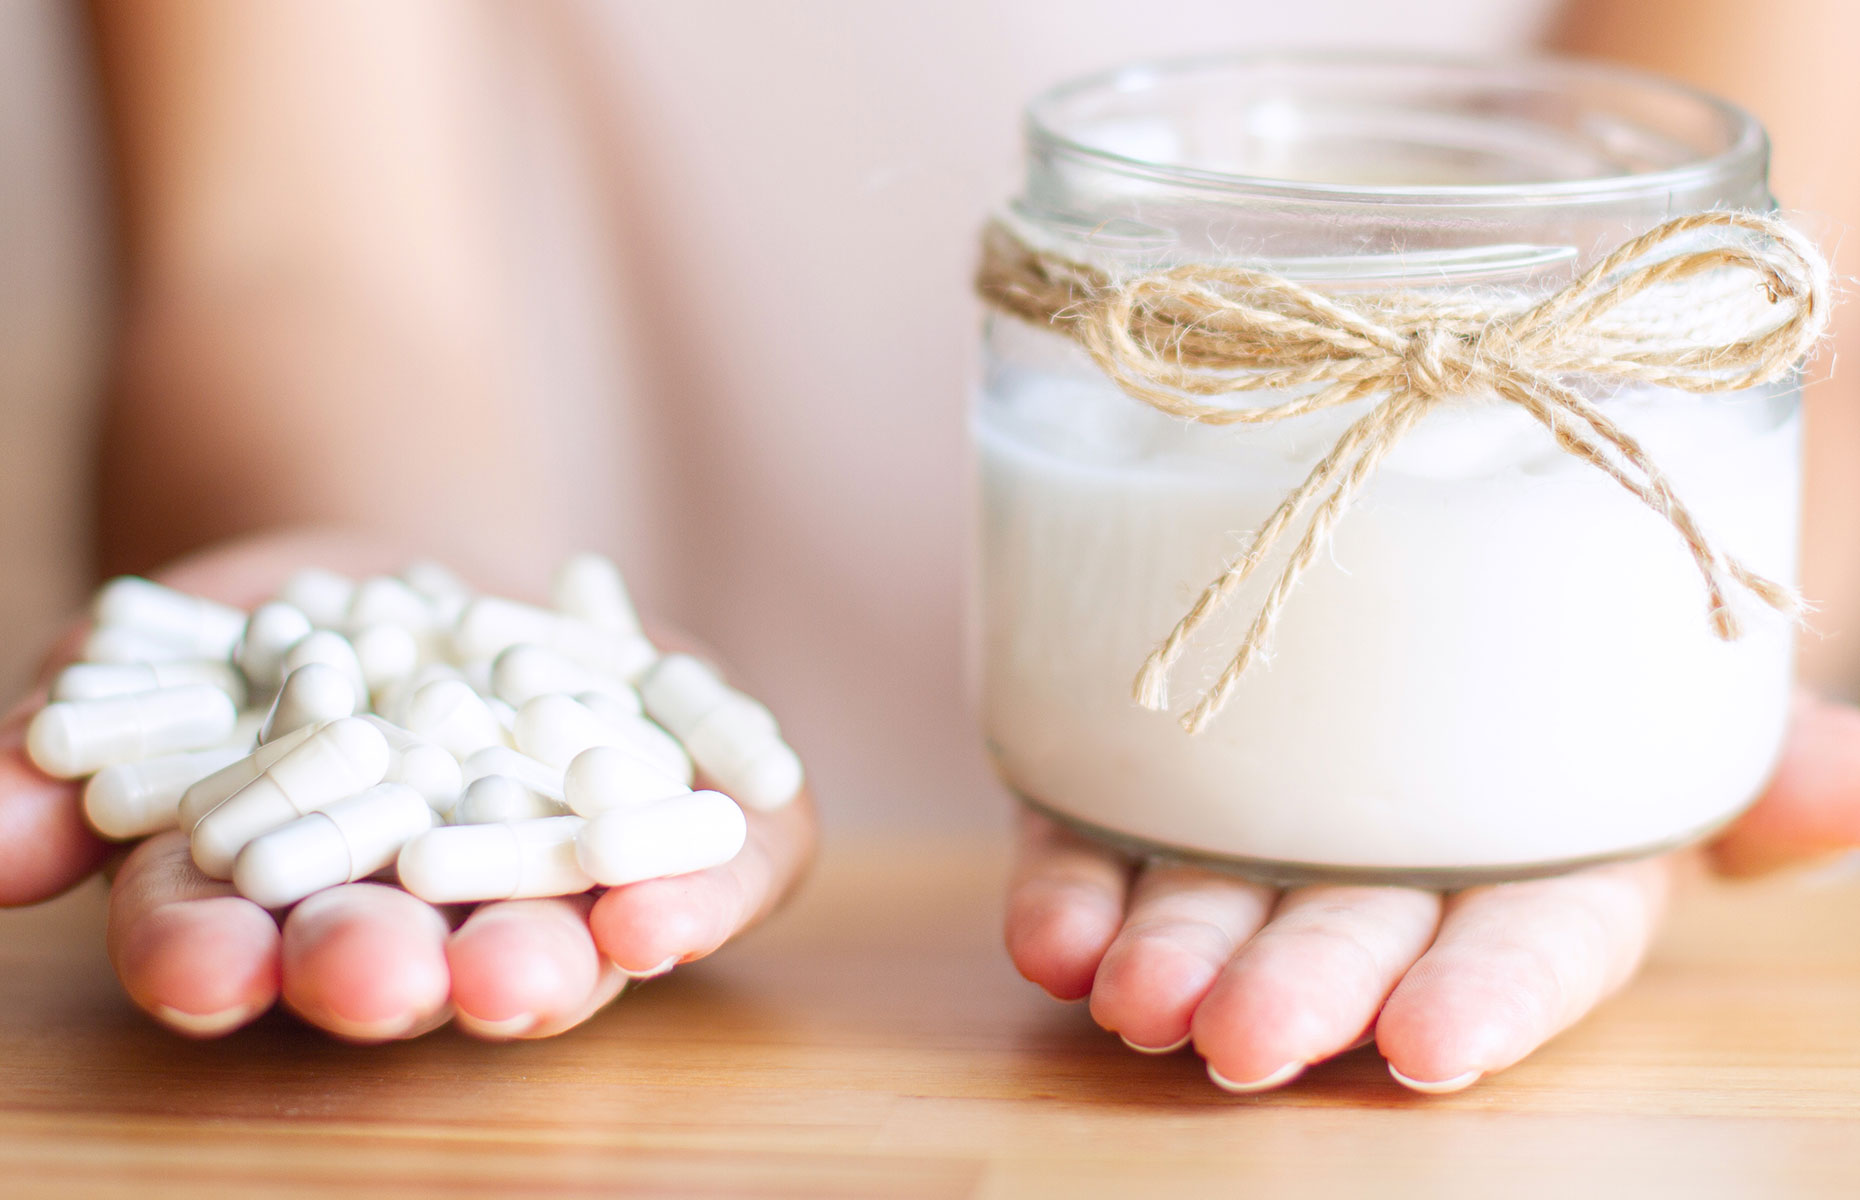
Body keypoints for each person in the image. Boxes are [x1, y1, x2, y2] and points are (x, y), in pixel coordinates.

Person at [0, 0, 1856, 1089]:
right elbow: (287, 256)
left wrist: (1704, 683)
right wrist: (353, 555)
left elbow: (1744, 273)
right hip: (727, 952)